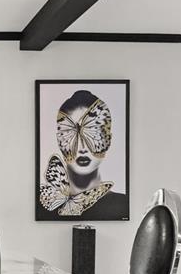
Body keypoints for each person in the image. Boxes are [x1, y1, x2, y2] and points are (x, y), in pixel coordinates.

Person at [39, 89, 128, 220]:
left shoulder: (122, 205)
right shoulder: (41, 203)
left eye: (93, 133)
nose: (82, 148)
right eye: (70, 135)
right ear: (59, 139)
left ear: (108, 138)